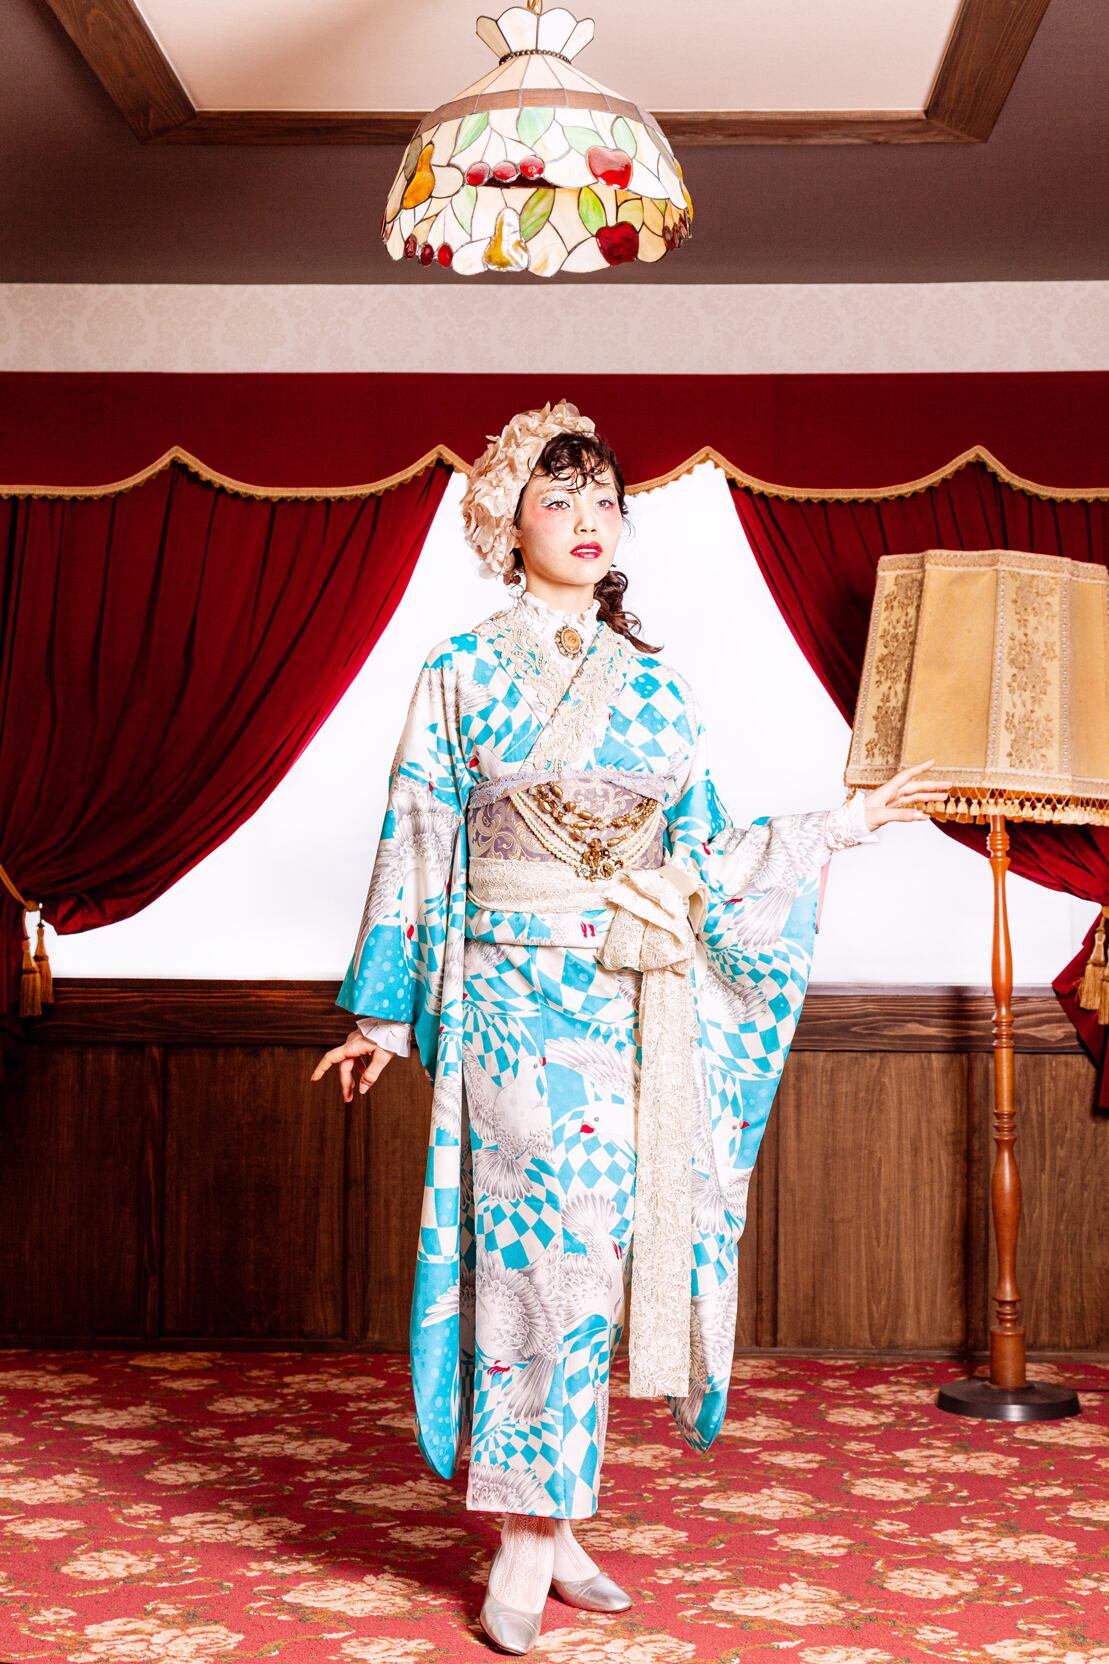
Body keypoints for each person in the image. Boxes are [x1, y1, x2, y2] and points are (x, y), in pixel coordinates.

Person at [311, 401, 946, 1656]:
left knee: (594, 1261)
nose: (587, 518)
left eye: (602, 498)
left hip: (625, 998)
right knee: (528, 1254)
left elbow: (702, 854)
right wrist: (383, 1010)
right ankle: (522, 1531)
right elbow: (418, 829)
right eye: (557, 499)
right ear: (507, 525)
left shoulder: (658, 687)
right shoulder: (459, 670)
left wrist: (839, 826)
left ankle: (554, 1517)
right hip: (506, 1003)